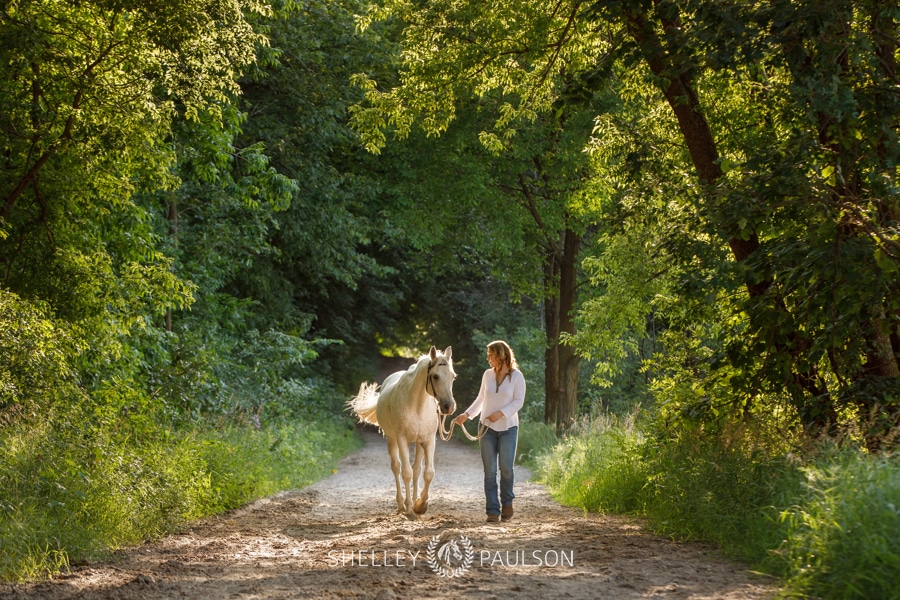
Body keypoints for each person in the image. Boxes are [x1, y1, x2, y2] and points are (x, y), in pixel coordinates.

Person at [453, 340, 525, 523]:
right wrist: (466, 415)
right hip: (486, 429)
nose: (488, 359)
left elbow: (518, 402)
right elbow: (481, 399)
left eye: (491, 355)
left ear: (501, 356)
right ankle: (492, 510)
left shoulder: (517, 377)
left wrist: (501, 413)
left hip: (509, 428)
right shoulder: (487, 375)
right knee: (490, 471)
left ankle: (507, 503)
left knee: (506, 469)